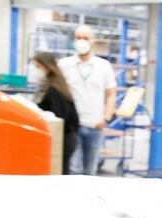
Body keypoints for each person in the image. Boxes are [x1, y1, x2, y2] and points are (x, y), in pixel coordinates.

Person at [58, 25, 117, 176]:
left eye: (86, 38)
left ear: (93, 41)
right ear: (73, 40)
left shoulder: (103, 66)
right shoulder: (64, 65)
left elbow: (111, 94)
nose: (82, 41)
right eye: (78, 38)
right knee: (73, 170)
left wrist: (106, 118)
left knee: (90, 171)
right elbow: (58, 94)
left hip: (95, 125)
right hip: (73, 127)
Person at [31, 52, 80, 175]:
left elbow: (60, 115)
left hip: (64, 137)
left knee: (60, 174)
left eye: (37, 67)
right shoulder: (54, 84)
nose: (35, 70)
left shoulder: (53, 89)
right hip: (66, 136)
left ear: (46, 67)